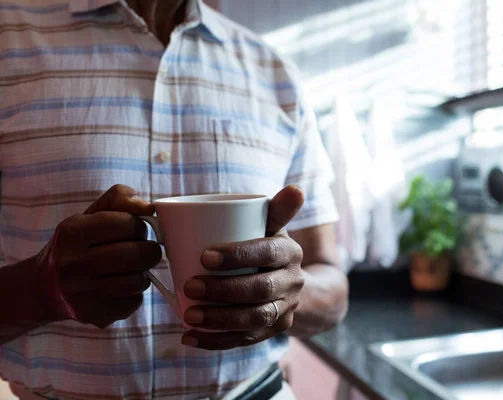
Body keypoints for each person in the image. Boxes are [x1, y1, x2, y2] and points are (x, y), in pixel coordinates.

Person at [0, 1, 349, 399]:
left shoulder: (273, 70)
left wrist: (286, 293)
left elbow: (331, 285)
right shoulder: (8, 37)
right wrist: (43, 288)